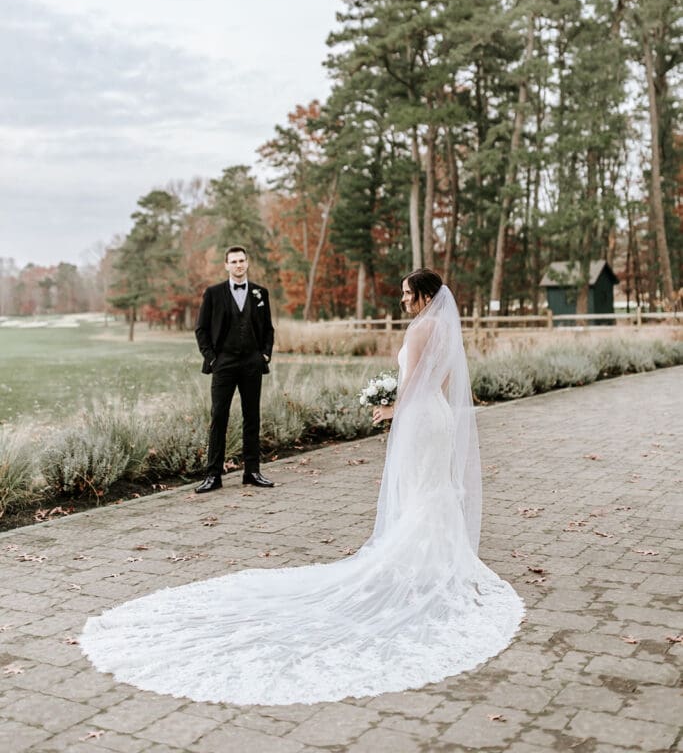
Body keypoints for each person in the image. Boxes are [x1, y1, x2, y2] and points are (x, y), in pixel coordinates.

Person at [80, 270, 524, 706]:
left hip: (419, 419)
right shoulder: (443, 329)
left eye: (408, 294)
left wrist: (391, 411)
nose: (403, 301)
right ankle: (438, 564)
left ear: (425, 297)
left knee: (418, 492)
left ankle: (419, 567)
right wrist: (408, 407)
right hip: (437, 417)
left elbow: (412, 386)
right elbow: (439, 385)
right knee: (431, 489)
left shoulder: (421, 329)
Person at [194, 245, 275, 491]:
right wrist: (212, 359)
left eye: (242, 260)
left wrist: (265, 355)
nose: (238, 265)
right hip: (224, 364)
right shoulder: (213, 293)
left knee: (252, 417)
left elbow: (268, 329)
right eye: (234, 261)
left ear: (247, 263)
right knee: (219, 417)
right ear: (226, 265)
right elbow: (201, 330)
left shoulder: (260, 293)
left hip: (252, 363)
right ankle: (213, 476)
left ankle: (252, 472)